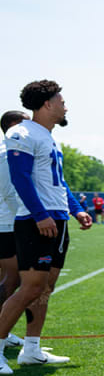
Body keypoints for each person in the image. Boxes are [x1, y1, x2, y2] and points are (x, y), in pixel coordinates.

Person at [0, 80, 92, 375]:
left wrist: (76, 211)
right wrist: (39, 214)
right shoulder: (22, 132)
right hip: (36, 221)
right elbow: (20, 178)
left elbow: (58, 183)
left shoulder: (47, 136)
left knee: (45, 288)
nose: (65, 105)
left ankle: (32, 348)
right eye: (61, 100)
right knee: (30, 288)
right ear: (48, 104)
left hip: (57, 219)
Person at [0, 110, 29, 351]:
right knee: (13, 279)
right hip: (8, 223)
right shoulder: (6, 152)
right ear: (12, 125)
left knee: (8, 278)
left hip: (6, 222)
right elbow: (10, 192)